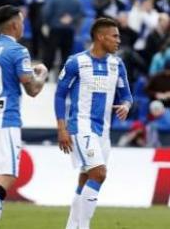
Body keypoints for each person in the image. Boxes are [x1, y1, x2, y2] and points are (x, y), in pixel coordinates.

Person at [0, 5, 48, 229]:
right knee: (8, 173)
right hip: (5, 116)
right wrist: (41, 75)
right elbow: (32, 89)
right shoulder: (18, 51)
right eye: (22, 22)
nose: (23, 26)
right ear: (14, 25)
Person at [55, 18, 133, 229]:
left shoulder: (117, 64)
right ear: (100, 37)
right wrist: (62, 128)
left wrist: (125, 105)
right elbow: (60, 95)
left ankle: (72, 226)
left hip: (103, 131)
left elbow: (126, 95)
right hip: (81, 126)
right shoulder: (76, 62)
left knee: (85, 179)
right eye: (115, 36)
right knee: (99, 174)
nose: (119, 40)